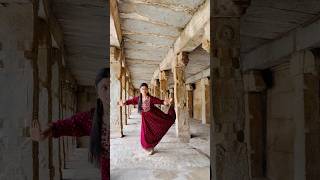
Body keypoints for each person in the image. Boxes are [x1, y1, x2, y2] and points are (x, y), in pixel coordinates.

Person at [30, 68, 110, 180]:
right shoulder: (91, 119)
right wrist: (45, 133)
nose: (109, 92)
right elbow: (63, 125)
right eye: (105, 88)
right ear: (97, 91)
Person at [118, 83, 176, 155]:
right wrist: (124, 103)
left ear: (147, 90)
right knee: (145, 134)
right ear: (140, 90)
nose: (144, 90)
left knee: (156, 131)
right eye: (142, 89)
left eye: (145, 89)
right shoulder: (138, 99)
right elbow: (131, 101)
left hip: (153, 118)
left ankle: (152, 146)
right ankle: (149, 147)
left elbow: (159, 101)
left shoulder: (150, 98)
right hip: (145, 120)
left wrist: (166, 102)